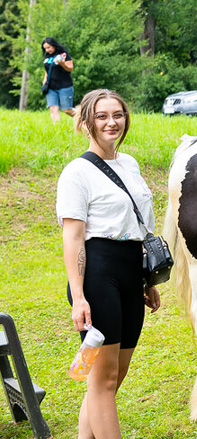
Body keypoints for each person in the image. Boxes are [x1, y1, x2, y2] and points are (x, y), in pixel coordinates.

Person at [57, 89, 161, 438]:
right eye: (101, 116)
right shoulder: (76, 172)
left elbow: (139, 226)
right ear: (86, 123)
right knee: (103, 381)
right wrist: (79, 296)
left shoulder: (129, 164)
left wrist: (148, 281)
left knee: (113, 379)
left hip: (132, 271)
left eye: (117, 114)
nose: (111, 122)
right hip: (97, 275)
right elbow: (73, 239)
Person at [41, 37, 75, 122]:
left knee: (67, 110)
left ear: (54, 45)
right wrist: (44, 80)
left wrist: (62, 64)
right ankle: (57, 130)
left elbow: (70, 68)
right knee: (53, 108)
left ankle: (84, 118)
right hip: (51, 87)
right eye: (45, 48)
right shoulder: (47, 55)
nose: (47, 50)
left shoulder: (63, 54)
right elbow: (47, 69)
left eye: (48, 47)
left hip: (64, 86)